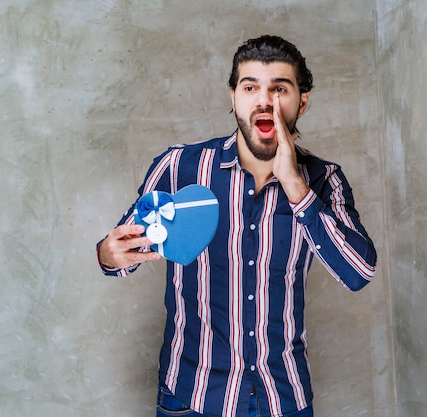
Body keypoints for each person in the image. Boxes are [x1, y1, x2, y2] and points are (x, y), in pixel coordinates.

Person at [97, 35, 377, 417]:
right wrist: (108, 254)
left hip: (283, 398)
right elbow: (122, 254)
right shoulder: (180, 168)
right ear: (233, 97)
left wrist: (295, 185)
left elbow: (359, 272)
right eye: (250, 87)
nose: (264, 100)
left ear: (302, 101)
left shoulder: (324, 179)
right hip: (190, 396)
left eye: (280, 88)